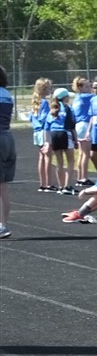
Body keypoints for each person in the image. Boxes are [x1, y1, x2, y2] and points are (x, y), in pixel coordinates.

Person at [43, 87, 77, 194]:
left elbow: (46, 128)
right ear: (65, 98)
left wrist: (47, 142)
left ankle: (61, 186)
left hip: (54, 134)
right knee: (70, 161)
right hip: (65, 133)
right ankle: (67, 186)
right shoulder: (68, 108)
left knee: (59, 162)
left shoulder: (52, 109)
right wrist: (76, 140)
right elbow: (72, 126)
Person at [30, 77, 56, 192]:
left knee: (41, 157)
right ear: (44, 89)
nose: (50, 90)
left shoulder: (35, 102)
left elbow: (32, 118)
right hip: (44, 131)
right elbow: (44, 118)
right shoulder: (44, 102)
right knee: (48, 157)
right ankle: (48, 184)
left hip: (36, 132)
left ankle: (42, 183)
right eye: (49, 88)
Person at [70, 77, 95, 186]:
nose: (90, 88)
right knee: (86, 154)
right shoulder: (85, 97)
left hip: (78, 126)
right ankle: (83, 178)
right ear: (80, 88)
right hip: (84, 125)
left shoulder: (77, 98)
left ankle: (80, 177)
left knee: (81, 153)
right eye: (87, 86)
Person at [0, 65, 15, 239]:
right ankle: (3, 224)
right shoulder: (6, 94)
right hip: (7, 137)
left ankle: (1, 226)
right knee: (2, 187)